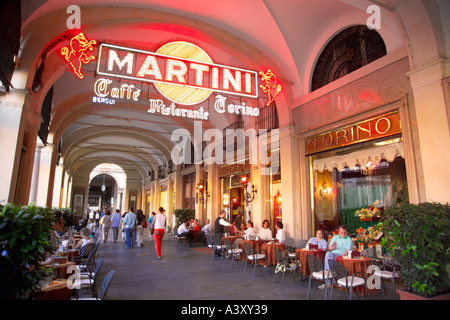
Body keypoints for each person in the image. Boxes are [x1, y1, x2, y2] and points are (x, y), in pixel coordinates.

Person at [320, 225, 353, 289]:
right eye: (341, 232)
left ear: (347, 232)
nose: (343, 234)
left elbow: (347, 250)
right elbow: (329, 248)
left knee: (333, 261)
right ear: (338, 232)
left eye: (344, 232)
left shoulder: (348, 239)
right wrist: (333, 247)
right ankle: (328, 279)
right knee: (328, 254)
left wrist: (341, 256)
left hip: (341, 255)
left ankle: (332, 280)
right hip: (333, 253)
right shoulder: (335, 237)